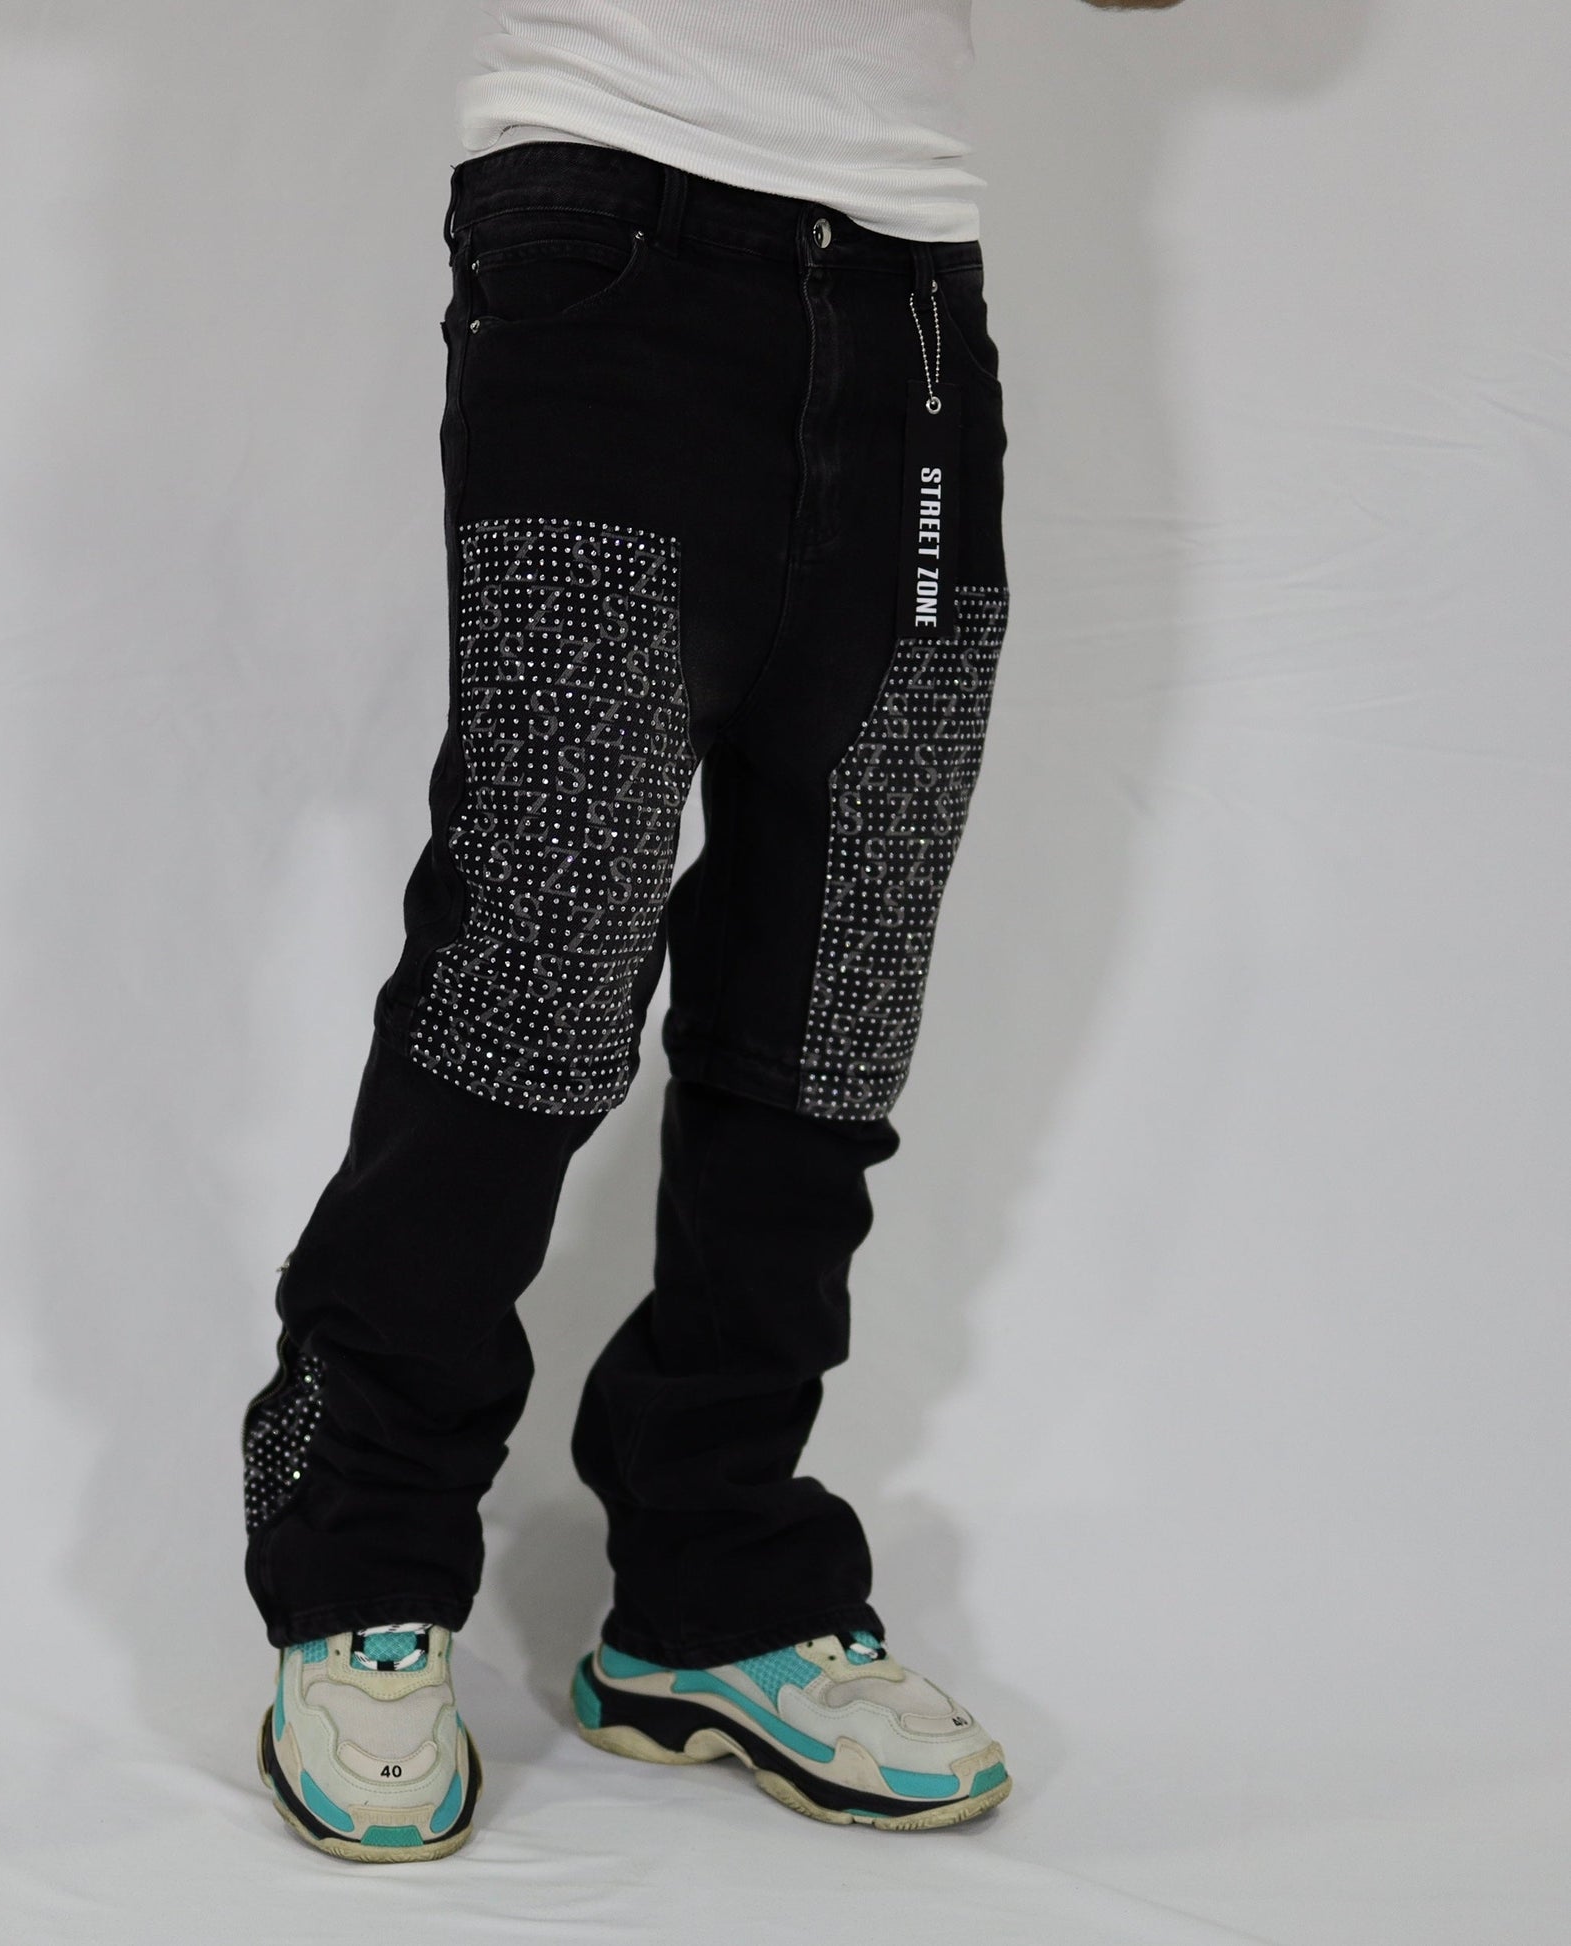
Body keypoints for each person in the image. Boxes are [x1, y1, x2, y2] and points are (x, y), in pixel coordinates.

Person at [243, 0, 1181, 1864]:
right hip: (602, 227)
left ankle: (713, 1590)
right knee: (538, 952)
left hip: (911, 286)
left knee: (838, 978)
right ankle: (361, 1561)